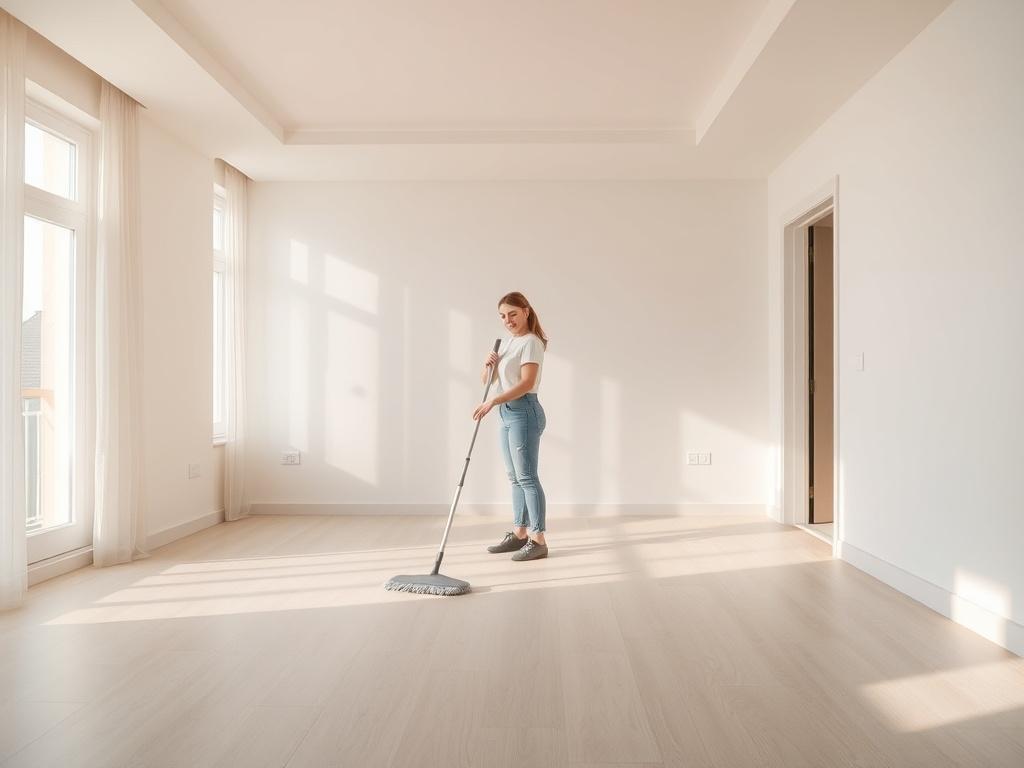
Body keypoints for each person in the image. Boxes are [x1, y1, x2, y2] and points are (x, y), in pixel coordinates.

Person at [472, 292, 549, 561]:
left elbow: (527, 383)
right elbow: (487, 380)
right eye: (503, 316)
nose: (508, 320)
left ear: (526, 311)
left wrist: (494, 400)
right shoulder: (506, 343)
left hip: (524, 411)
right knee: (514, 477)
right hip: (506, 413)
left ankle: (538, 539)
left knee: (527, 477)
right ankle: (519, 534)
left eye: (512, 314)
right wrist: (488, 364)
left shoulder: (531, 342)